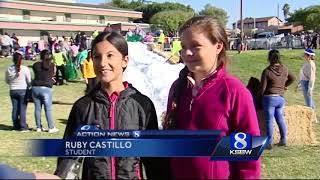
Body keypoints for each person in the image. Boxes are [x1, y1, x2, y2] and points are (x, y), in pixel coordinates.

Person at [55, 31, 170, 179]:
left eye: (110, 55)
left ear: (125, 60)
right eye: (97, 57)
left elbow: (154, 161)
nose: (102, 63)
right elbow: (69, 159)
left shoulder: (142, 105)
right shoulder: (82, 106)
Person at [163, 16, 261, 179]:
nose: (187, 53)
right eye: (184, 46)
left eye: (196, 46)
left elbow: (248, 156)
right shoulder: (177, 88)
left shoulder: (234, 91)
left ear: (218, 46)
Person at [260, 49, 295, 149]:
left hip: (269, 99)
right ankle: (283, 140)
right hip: (280, 99)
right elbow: (293, 78)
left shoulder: (267, 71)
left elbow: (263, 88)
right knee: (280, 119)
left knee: (269, 121)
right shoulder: (285, 69)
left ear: (269, 58)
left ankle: (269, 143)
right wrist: (284, 86)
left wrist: (259, 97)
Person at [32, 49, 59, 133]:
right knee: (48, 109)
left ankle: (38, 127)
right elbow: (53, 74)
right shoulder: (52, 65)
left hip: (35, 87)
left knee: (37, 108)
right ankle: (51, 127)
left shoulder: (35, 65)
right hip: (46, 88)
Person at [5, 51, 31, 131]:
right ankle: (23, 126)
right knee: (22, 109)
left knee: (15, 108)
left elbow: (7, 80)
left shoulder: (9, 69)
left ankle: (16, 125)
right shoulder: (25, 69)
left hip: (13, 90)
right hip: (23, 90)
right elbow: (29, 81)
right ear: (21, 60)